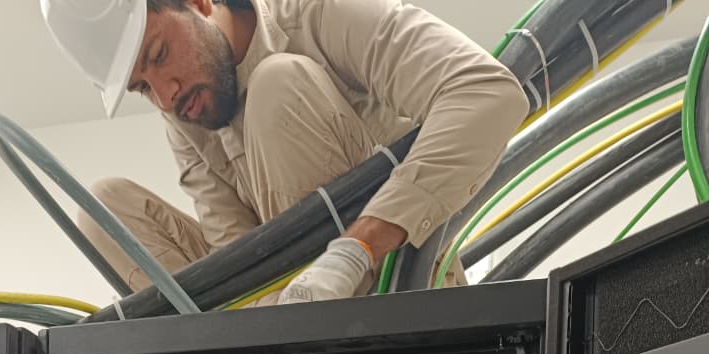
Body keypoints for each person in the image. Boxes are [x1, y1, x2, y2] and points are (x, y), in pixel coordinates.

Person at [42, 0, 528, 301]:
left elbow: (488, 93)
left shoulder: (316, 12)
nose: (165, 97)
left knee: (277, 84)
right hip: (283, 319)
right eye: (142, 88)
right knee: (103, 208)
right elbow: (234, 258)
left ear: (198, 2)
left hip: (398, 288)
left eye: (159, 55)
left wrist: (356, 249)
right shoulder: (187, 109)